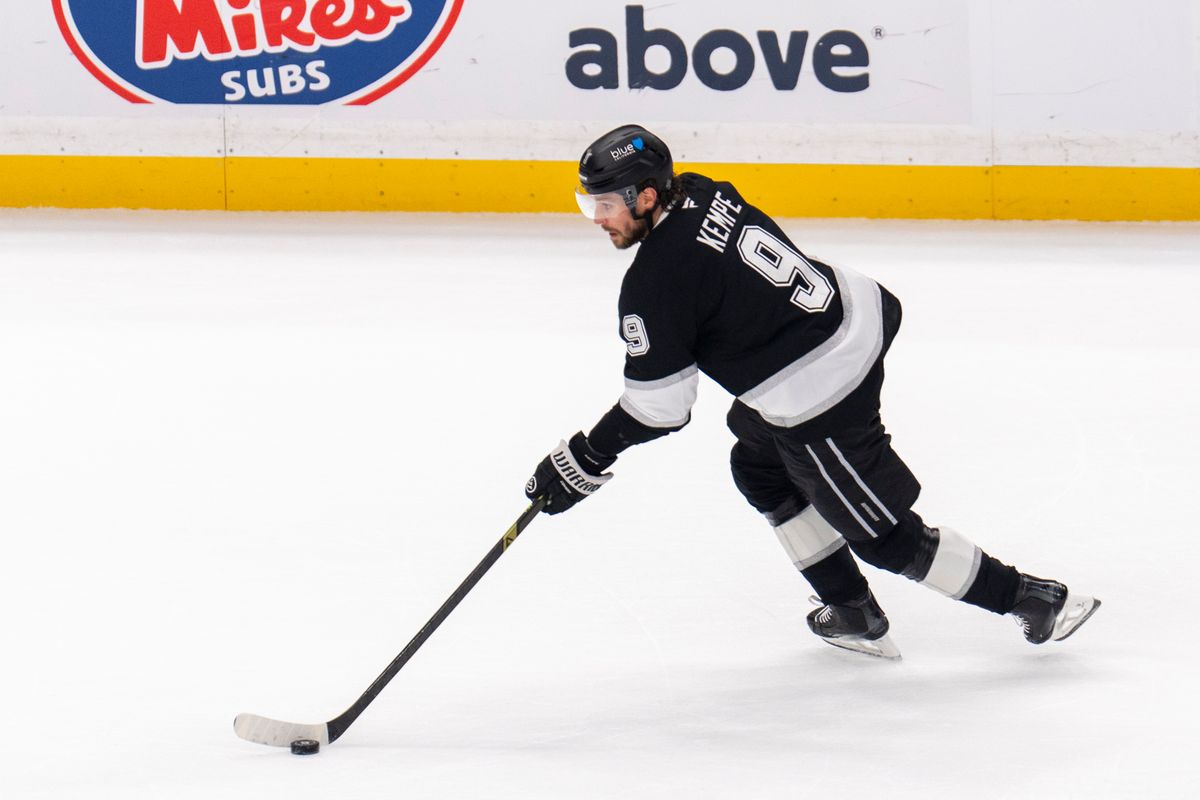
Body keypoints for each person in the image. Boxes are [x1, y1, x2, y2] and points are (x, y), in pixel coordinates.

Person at [522, 124, 1099, 658]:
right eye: (588, 203)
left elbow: (661, 409)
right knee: (760, 465)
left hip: (823, 388)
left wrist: (586, 455)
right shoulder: (701, 190)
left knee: (884, 536)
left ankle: (1031, 597)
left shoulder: (655, 284)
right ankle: (852, 610)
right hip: (853, 312)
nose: (596, 217)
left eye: (604, 204)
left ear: (648, 197)